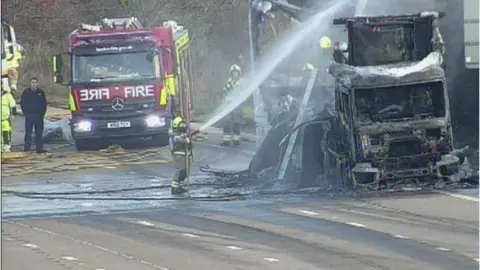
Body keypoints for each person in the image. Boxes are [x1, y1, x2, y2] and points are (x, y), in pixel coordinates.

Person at [20, 77, 47, 153]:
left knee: (39, 133)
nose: (34, 84)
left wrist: (42, 114)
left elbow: (44, 104)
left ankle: (39, 148)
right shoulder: (26, 92)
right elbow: (22, 103)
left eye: (35, 82)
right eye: (32, 82)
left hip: (39, 116)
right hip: (29, 116)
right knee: (28, 133)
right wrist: (26, 113)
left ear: (37, 84)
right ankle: (27, 148)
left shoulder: (41, 93)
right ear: (30, 83)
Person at [170, 111, 193, 195]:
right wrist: (187, 140)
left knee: (185, 172)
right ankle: (175, 187)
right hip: (179, 155)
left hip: (184, 155)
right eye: (182, 124)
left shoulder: (182, 133)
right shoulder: (175, 134)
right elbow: (181, 140)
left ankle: (180, 186)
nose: (184, 125)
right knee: (180, 171)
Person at [221, 64, 243, 146]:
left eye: (236, 72)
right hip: (228, 105)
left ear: (239, 73)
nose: (235, 74)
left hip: (237, 105)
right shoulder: (229, 82)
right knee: (227, 122)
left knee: (236, 122)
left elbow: (241, 92)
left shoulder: (241, 82)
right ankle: (226, 140)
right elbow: (225, 91)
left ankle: (236, 140)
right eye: (233, 72)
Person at [1, 83, 16, 153]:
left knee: (6, 133)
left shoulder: (7, 96)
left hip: (5, 120)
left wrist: (13, 114)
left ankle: (6, 148)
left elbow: (13, 106)